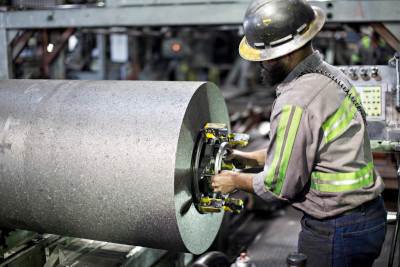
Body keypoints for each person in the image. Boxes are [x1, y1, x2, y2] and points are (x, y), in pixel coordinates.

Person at [211, 0, 387, 266]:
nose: (262, 65)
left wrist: (234, 181)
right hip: (365, 217)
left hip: (337, 230)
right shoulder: (331, 74)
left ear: (285, 53)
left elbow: (277, 186)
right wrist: (248, 159)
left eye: (264, 58)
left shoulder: (297, 99)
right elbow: (303, 147)